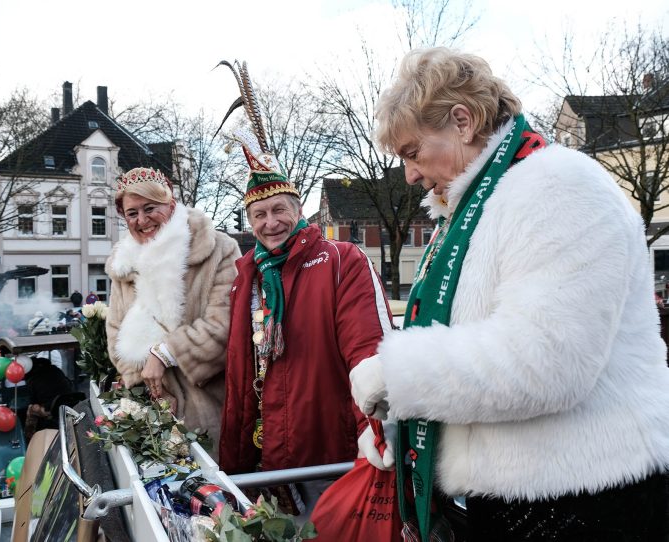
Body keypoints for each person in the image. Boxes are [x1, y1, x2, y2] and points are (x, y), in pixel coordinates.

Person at [349, 47, 669, 540]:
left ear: (462, 120)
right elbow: (468, 345)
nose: (410, 174)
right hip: (524, 496)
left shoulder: (557, 187)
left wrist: (398, 374)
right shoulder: (476, 207)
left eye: (412, 153)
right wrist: (405, 424)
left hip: (584, 499)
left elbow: (546, 360)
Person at [215, 61, 392, 513]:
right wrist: (233, 467)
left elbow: (369, 352)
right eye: (259, 215)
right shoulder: (245, 276)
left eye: (279, 210)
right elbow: (238, 374)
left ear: (298, 209)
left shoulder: (339, 261)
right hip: (265, 459)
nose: (270, 222)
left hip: (327, 457)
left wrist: (374, 434)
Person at [105, 166, 240, 449]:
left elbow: (226, 324)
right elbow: (115, 332)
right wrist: (147, 390)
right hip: (152, 416)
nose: (142, 220)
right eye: (132, 213)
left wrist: (165, 353)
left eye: (150, 208)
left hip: (211, 408)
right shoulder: (124, 264)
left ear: (171, 205)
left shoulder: (218, 249)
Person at [23, 356, 83, 441]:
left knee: (31, 409)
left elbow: (33, 400)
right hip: (70, 401)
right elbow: (69, 384)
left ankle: (29, 438)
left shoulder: (32, 380)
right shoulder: (56, 370)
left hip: (51, 409)